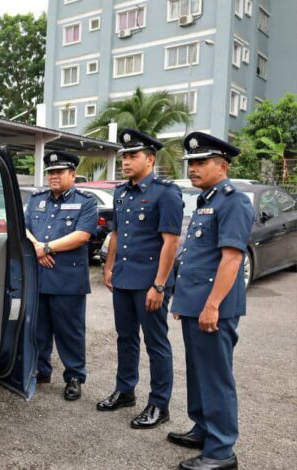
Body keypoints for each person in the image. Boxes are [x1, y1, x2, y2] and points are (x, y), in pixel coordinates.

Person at [167, 132, 254, 470]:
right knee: (199, 372)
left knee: (216, 376)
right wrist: (184, 302)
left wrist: (212, 305)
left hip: (213, 307)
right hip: (195, 304)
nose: (193, 168)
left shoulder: (233, 202)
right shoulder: (207, 201)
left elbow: (232, 259)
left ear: (223, 166)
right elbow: (196, 257)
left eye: (201, 162)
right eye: (191, 162)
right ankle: (203, 428)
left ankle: (221, 451)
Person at [97, 129, 183, 430]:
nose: (126, 161)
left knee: (156, 343)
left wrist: (159, 285)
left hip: (150, 282)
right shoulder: (121, 192)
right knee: (125, 338)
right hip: (123, 278)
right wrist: (108, 268)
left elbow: (171, 242)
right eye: (124, 156)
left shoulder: (166, 192)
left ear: (150, 159)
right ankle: (125, 391)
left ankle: (159, 404)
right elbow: (116, 233)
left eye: (133, 156)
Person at [24, 151, 97, 401]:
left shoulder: (85, 202)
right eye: (51, 172)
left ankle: (74, 376)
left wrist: (46, 248)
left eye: (59, 172)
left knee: (70, 331)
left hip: (68, 279)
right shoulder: (36, 200)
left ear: (73, 175)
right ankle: (40, 370)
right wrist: (37, 248)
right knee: (38, 329)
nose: (54, 176)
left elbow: (82, 235)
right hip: (39, 276)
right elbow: (23, 228)